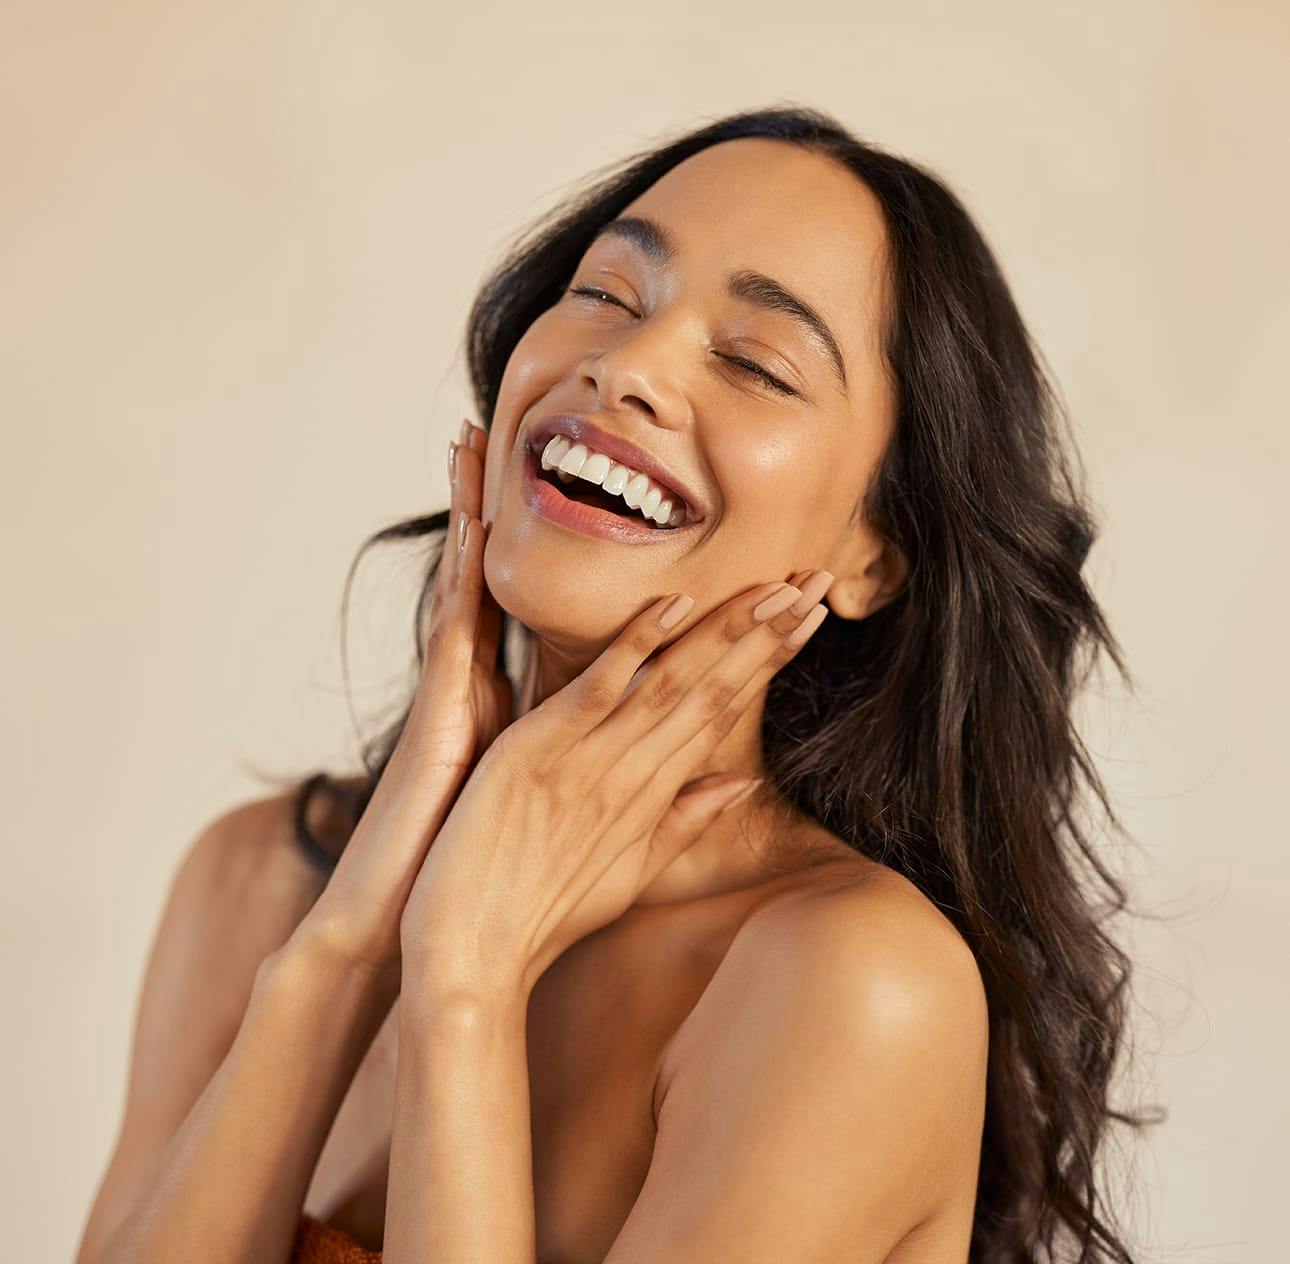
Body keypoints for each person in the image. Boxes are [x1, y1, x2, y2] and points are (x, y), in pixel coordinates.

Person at [75, 105, 1158, 1264]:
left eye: (754, 363)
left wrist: (468, 976)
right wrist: (343, 954)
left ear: (875, 553)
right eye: (605, 294)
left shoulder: (851, 986)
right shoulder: (258, 885)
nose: (625, 366)